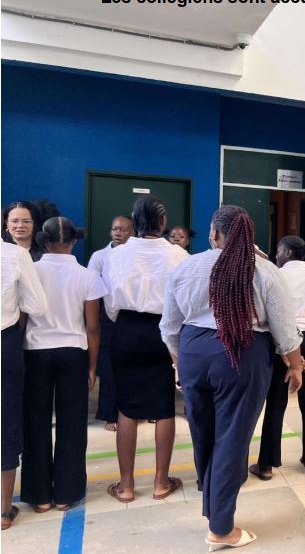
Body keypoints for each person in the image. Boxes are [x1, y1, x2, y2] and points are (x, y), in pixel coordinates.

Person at [160, 206, 303, 549]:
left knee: (203, 431)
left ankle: (212, 504)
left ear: (214, 234)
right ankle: (221, 528)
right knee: (232, 439)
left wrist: (181, 362)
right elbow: (285, 331)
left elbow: (169, 326)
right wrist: (295, 366)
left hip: (193, 352)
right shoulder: (264, 270)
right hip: (241, 354)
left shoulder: (187, 266)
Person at [101, 195, 189, 503]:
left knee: (126, 406)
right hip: (164, 333)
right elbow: (183, 301)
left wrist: (126, 320)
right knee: (164, 406)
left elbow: (110, 303)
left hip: (126, 330)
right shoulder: (178, 255)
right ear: (163, 222)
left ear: (134, 222)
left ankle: (126, 486)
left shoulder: (117, 255)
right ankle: (161, 482)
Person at [20, 217, 107, 513]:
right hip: (73, 353)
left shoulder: (31, 271)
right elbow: (93, 327)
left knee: (36, 422)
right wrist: (92, 367)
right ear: (75, 240)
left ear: (43, 240)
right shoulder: (87, 276)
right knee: (72, 423)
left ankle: (39, 496)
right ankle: (66, 494)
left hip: (36, 352)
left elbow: (23, 317)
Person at [251, 236, 305, 478]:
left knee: (276, 402)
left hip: (283, 340)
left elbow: (267, 315)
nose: (275, 255)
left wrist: (285, 353)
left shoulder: (276, 275)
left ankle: (266, 465)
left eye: (278, 251)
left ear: (287, 253)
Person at [1, 242, 47, 531]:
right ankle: (3, 509)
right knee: (6, 421)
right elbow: (37, 305)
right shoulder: (15, 255)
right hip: (4, 342)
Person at [88, 215, 133, 432]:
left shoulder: (135, 255)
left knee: (131, 365)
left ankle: (132, 411)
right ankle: (109, 414)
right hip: (105, 315)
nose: (118, 232)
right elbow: (90, 286)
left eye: (123, 229)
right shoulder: (100, 256)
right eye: (115, 228)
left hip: (129, 314)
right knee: (108, 366)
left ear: (132, 233)